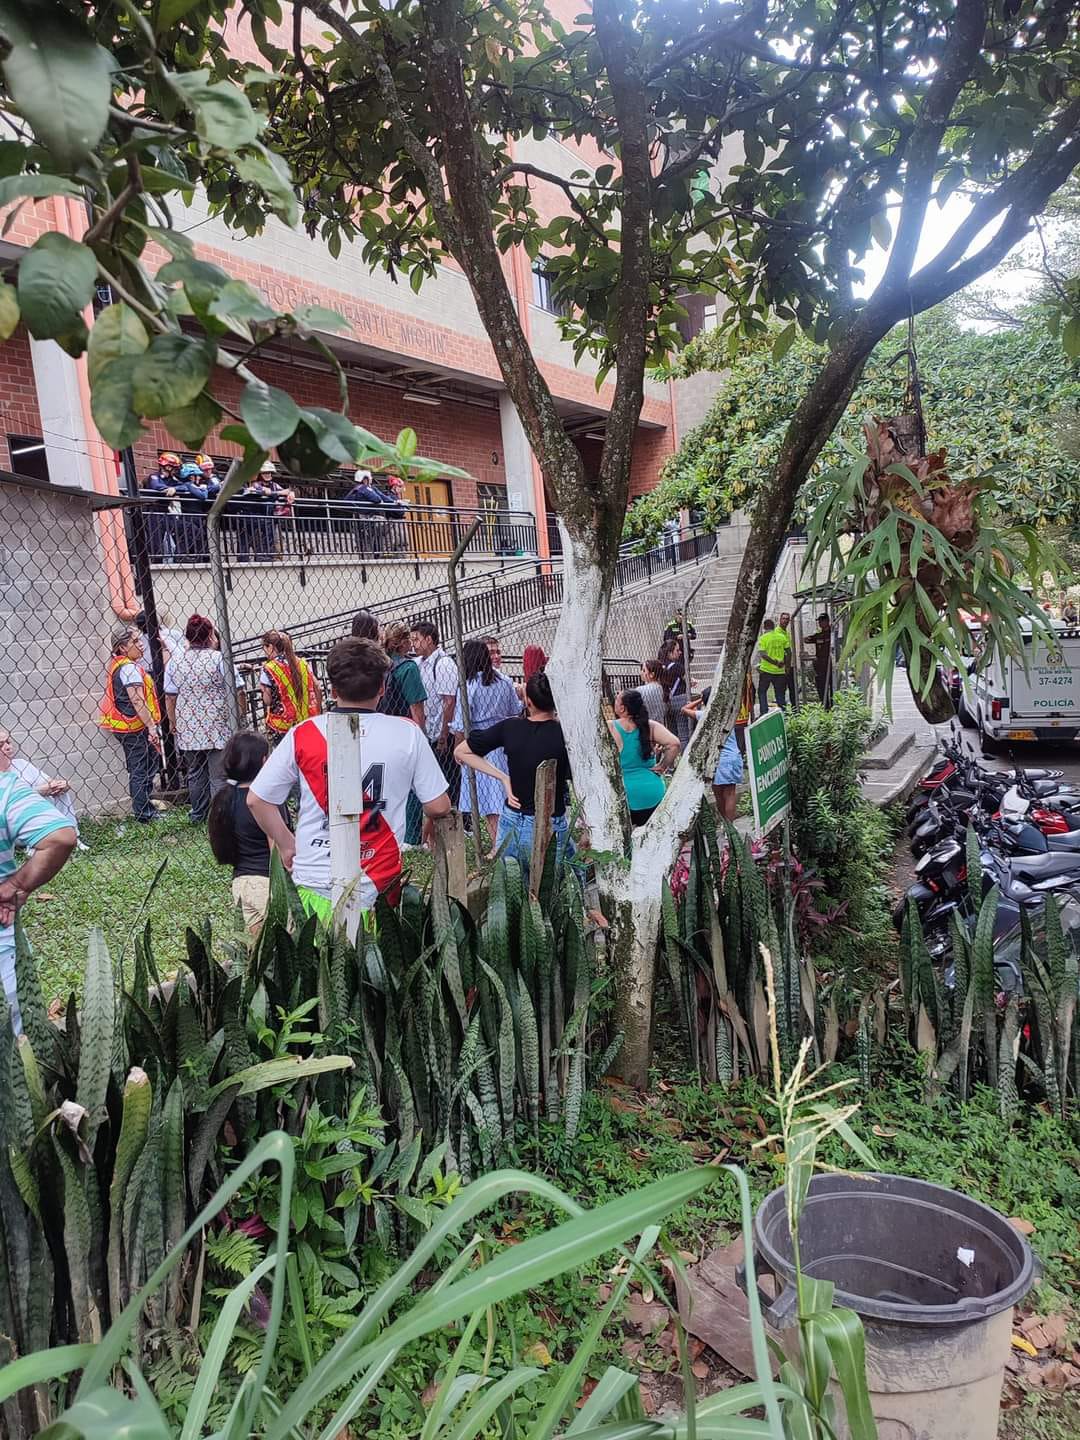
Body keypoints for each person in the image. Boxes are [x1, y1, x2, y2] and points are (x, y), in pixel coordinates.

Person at [247, 638, 451, 923]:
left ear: (332, 689)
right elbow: (439, 805)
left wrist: (286, 843)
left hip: (314, 884)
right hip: (379, 887)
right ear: (383, 687)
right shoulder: (407, 733)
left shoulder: (304, 733)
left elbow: (257, 800)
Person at [455, 670, 572, 884]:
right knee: (553, 893)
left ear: (528, 701)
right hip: (550, 825)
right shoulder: (566, 734)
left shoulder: (510, 727)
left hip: (511, 821)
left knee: (510, 892)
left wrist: (503, 777)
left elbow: (461, 752)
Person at [0, 771, 76, 1031]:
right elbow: (60, 837)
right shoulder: (4, 788)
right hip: (4, 951)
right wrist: (17, 885)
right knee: (17, 1054)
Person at [163, 614, 245, 823]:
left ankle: (198, 814)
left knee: (195, 772)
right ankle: (220, 816)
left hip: (188, 722)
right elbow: (238, 688)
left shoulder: (176, 661)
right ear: (210, 635)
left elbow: (170, 695)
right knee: (218, 773)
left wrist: (173, 721)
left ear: (187, 637)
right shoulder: (219, 659)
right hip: (217, 720)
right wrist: (240, 713)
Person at [208, 731, 287, 935]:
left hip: (241, 883)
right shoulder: (267, 799)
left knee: (260, 955)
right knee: (289, 953)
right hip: (268, 883)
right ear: (264, 761)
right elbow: (277, 850)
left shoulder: (223, 797)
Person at [452, 639, 523, 847]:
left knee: (490, 802)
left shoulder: (469, 685)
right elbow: (514, 709)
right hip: (504, 741)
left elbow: (460, 723)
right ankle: (512, 840)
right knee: (504, 793)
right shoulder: (503, 680)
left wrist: (459, 747)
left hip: (479, 744)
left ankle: (497, 844)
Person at [97, 623, 162, 822]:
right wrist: (151, 727)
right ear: (122, 647)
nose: (141, 645)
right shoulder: (129, 669)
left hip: (128, 725)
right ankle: (144, 813)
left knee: (143, 766)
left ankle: (145, 807)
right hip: (134, 727)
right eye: (135, 641)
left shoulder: (120, 665)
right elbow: (137, 700)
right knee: (141, 768)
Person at [379, 621, 429, 845]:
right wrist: (421, 735)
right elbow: (416, 707)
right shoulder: (408, 668)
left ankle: (390, 831)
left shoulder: (382, 665)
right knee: (413, 785)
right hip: (404, 728)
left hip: (382, 727)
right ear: (403, 642)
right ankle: (411, 837)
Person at [609, 689, 680, 825]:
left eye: (617, 700)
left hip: (625, 796)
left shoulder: (610, 727)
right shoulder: (650, 726)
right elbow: (674, 744)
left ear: (622, 708)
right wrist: (662, 766)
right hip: (653, 793)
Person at [410, 620, 461, 806]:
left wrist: (443, 735)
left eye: (416, 639)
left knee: (448, 777)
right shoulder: (417, 663)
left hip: (441, 732)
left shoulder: (443, 664)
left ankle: (457, 816)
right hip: (428, 731)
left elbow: (449, 702)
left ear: (429, 639)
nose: (413, 644)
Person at [0, 727, 81, 841]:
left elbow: (49, 781)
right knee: (34, 799)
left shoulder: (21, 764)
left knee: (59, 792)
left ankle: (73, 837)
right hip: (13, 825)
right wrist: (37, 792)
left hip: (40, 817)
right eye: (1, 745)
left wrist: (61, 785)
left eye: (8, 742)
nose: (8, 747)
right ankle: (37, 844)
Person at [680, 686, 744, 821]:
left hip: (715, 759)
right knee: (730, 793)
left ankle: (724, 824)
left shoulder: (706, 715)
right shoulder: (729, 713)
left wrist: (700, 700)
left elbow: (684, 709)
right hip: (732, 757)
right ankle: (730, 827)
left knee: (718, 794)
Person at [260, 630, 321, 739]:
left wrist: (263, 689)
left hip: (282, 725)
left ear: (270, 647)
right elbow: (317, 687)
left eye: (264, 647)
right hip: (307, 721)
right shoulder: (302, 662)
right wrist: (319, 711)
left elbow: (267, 700)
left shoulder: (268, 669)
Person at [143, 450, 183, 561]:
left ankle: (181, 557)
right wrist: (166, 488)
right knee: (156, 541)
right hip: (152, 512)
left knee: (187, 528)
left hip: (165, 512)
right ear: (168, 467)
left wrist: (174, 489)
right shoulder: (154, 477)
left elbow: (185, 487)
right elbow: (156, 486)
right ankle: (157, 562)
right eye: (174, 468)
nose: (175, 470)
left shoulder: (173, 481)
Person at [658, 637, 690, 745]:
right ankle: (684, 758)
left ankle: (673, 758)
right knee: (684, 735)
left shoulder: (660, 667)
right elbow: (689, 680)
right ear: (670, 653)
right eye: (677, 650)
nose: (680, 652)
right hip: (680, 700)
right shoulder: (677, 667)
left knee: (671, 735)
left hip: (667, 701)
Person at [757, 616, 791, 715]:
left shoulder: (763, 638)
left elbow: (763, 654)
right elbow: (789, 652)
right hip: (780, 671)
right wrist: (786, 665)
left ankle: (764, 713)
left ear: (764, 628)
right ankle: (783, 715)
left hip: (766, 671)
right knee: (780, 694)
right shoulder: (782, 637)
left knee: (762, 692)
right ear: (774, 626)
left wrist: (775, 662)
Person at [808, 612, 834, 706]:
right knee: (821, 687)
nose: (820, 623)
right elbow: (807, 640)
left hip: (830, 665)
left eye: (822, 621)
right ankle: (825, 706)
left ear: (827, 621)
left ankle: (833, 705)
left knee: (832, 687)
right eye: (819, 621)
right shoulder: (818, 635)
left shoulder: (832, 634)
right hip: (820, 666)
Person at [637, 658, 669, 727]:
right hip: (660, 727)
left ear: (652, 674)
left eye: (643, 670)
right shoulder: (664, 689)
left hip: (645, 726)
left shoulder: (640, 690)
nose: (641, 672)